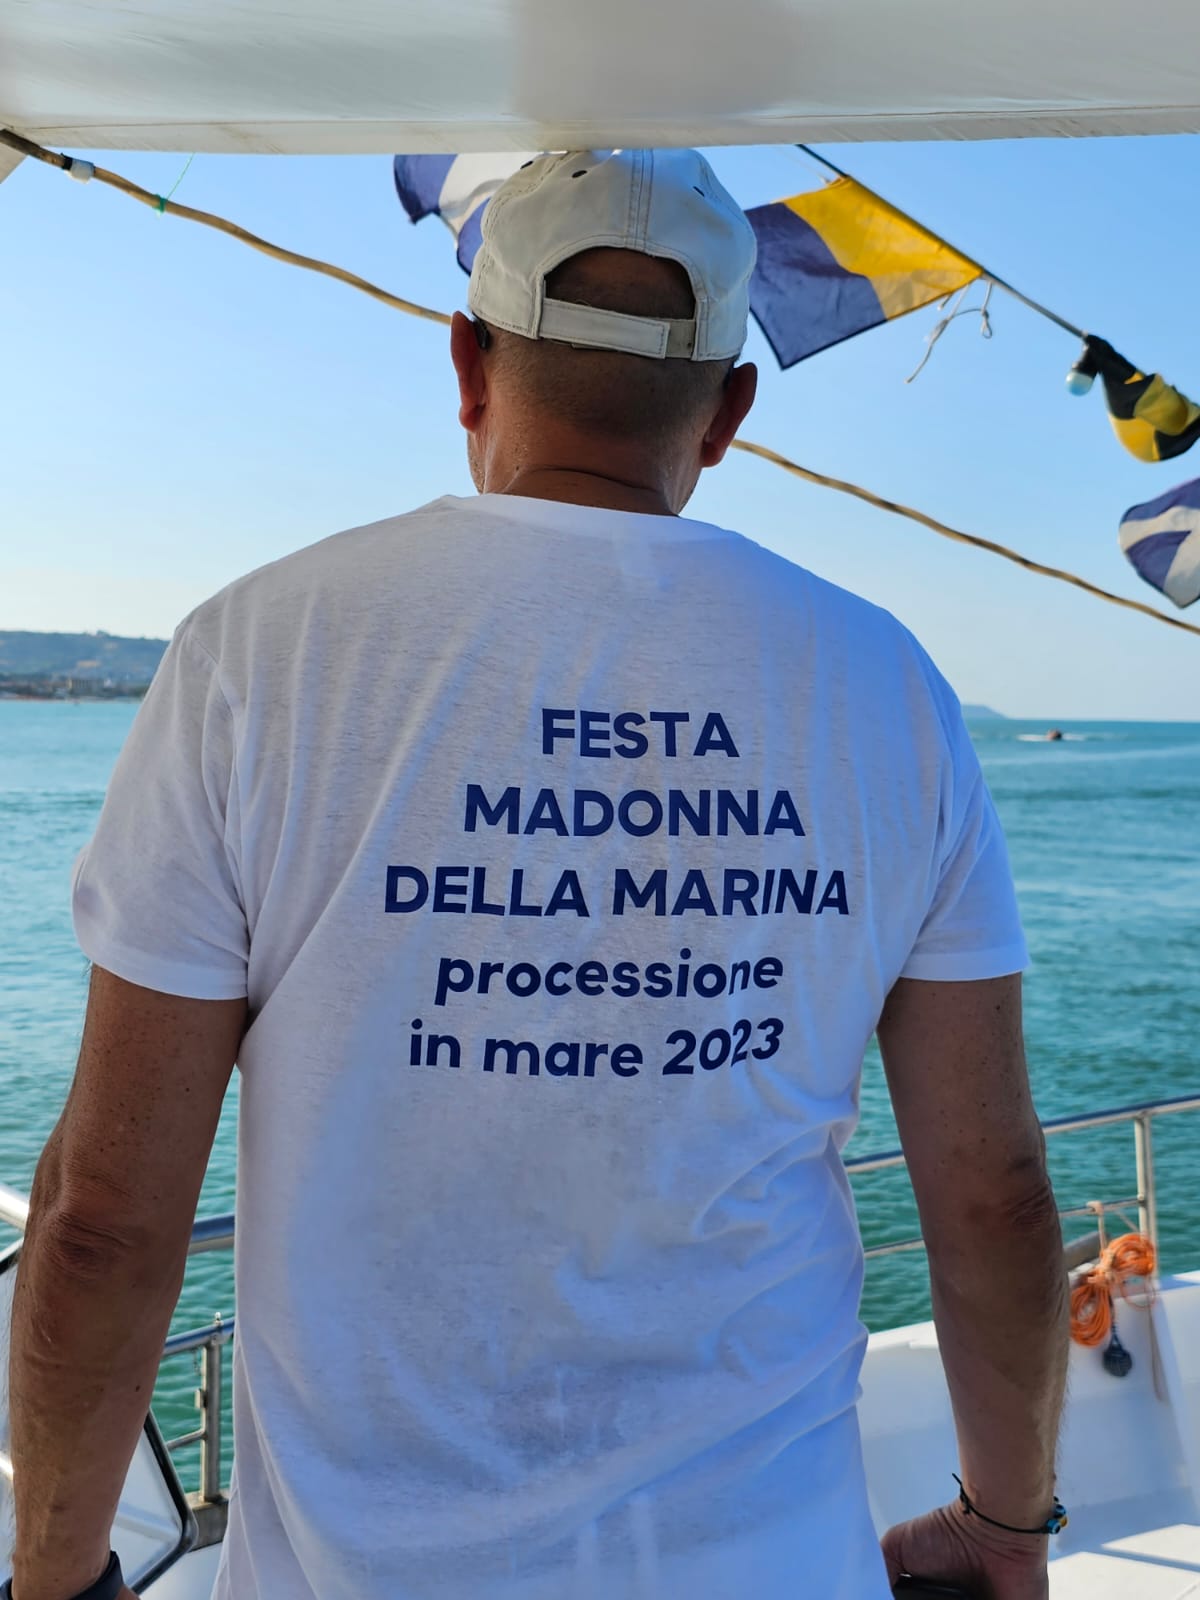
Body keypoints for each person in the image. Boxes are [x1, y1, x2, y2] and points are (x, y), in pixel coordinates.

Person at [8, 149, 1068, 1600]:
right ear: (729, 412)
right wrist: (1006, 1528)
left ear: (468, 362)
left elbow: (108, 1218)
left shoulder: (257, 653)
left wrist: (56, 1580)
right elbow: (996, 1196)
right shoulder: (889, 687)